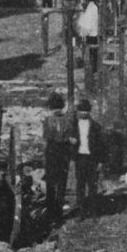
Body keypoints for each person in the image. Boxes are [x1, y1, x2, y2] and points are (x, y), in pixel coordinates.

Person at [43, 93, 76, 221]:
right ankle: (58, 213)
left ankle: (51, 212)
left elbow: (46, 139)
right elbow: (70, 138)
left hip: (52, 154)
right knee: (61, 183)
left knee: (51, 183)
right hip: (63, 154)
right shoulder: (68, 120)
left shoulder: (48, 120)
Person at [74, 99, 109, 220]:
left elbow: (102, 145)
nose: (83, 113)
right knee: (80, 186)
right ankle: (81, 212)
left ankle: (94, 212)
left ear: (89, 112)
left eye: (86, 111)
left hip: (92, 159)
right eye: (81, 111)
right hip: (80, 158)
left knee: (93, 187)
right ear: (78, 111)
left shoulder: (96, 126)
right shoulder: (74, 126)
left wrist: (101, 162)